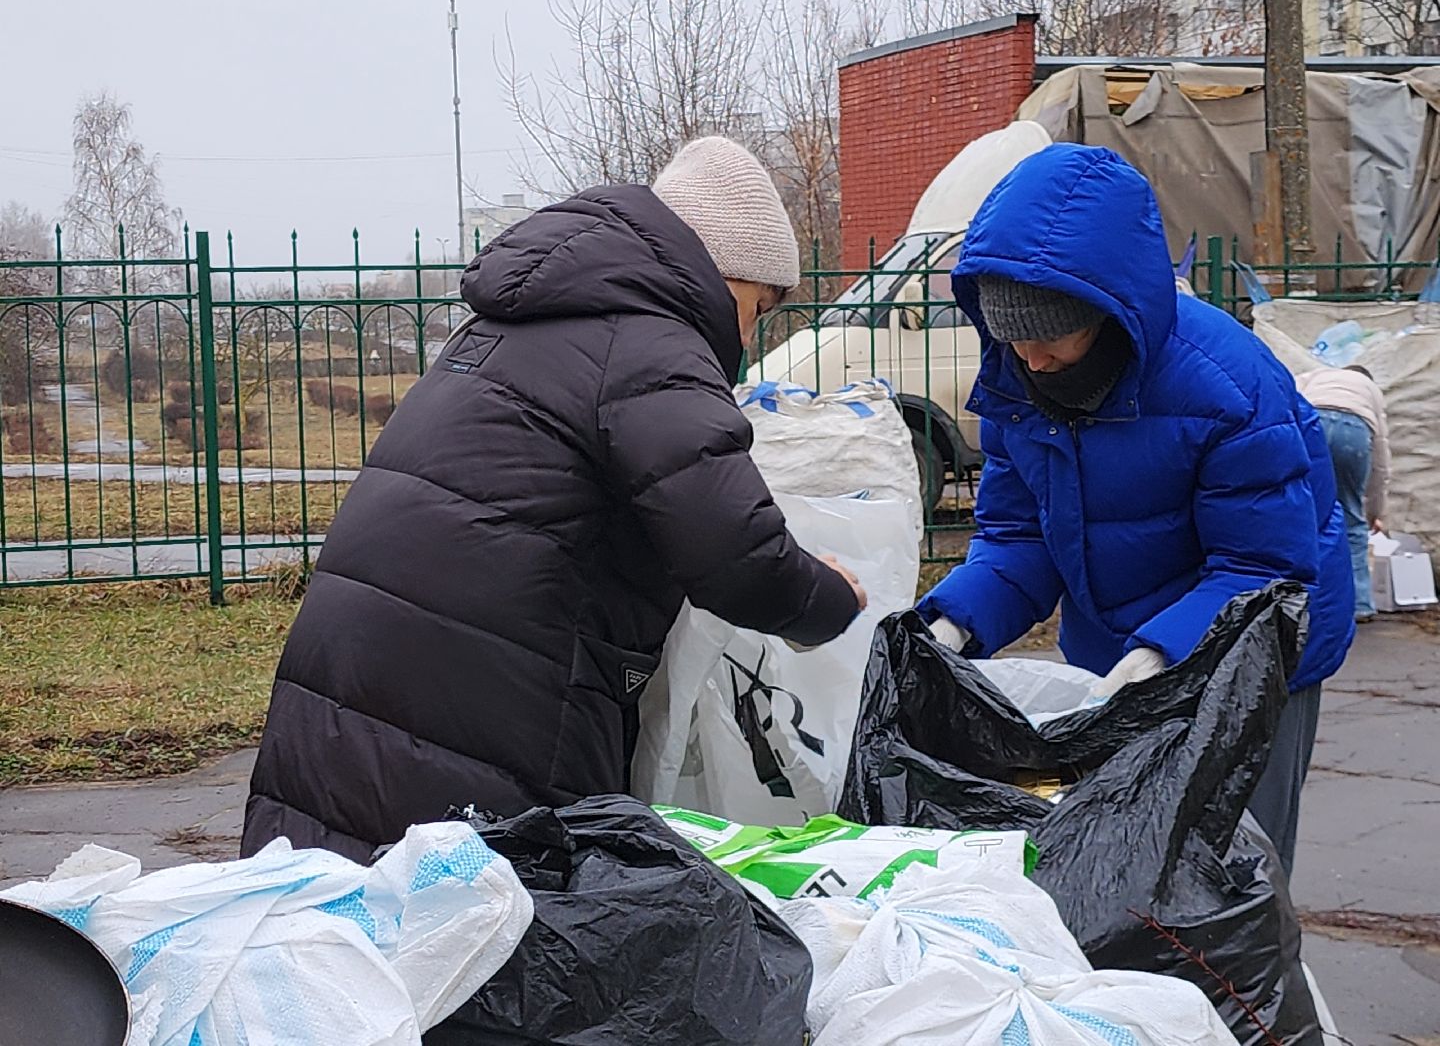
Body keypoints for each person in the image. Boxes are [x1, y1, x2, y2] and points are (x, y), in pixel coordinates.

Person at [241, 137, 867, 863]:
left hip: (360, 680)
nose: (747, 339)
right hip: (488, 703)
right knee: (480, 931)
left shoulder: (517, 325)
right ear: (729, 276)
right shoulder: (654, 341)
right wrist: (829, 599)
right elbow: (736, 554)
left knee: (340, 914)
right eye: (758, 309)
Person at [919, 144, 1354, 874]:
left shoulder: (1230, 388)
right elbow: (1018, 535)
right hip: (1117, 664)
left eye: (1049, 334)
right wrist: (954, 621)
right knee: (1123, 869)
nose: (1030, 359)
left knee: (1232, 868)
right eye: (1010, 335)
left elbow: (1262, 571)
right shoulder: (1013, 387)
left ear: (1109, 311)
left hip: (1257, 658)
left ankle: (1238, 990)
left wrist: (1160, 655)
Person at [1295, 364, 1391, 622]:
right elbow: (1380, 459)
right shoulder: (1371, 390)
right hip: (1355, 430)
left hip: (1312, 421)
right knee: (1351, 520)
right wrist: (1373, 513)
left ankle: (1300, 598)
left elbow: (1288, 398)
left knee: (1305, 512)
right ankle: (1360, 605)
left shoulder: (1315, 374)